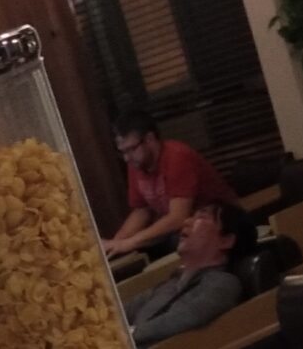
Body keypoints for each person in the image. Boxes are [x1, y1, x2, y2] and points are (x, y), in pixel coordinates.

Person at [101, 109, 236, 257]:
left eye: (131, 149)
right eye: (123, 152)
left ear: (149, 139)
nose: (127, 158)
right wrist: (115, 243)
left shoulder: (177, 157)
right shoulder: (136, 164)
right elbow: (142, 211)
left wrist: (130, 242)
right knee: (137, 249)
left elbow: (178, 218)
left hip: (219, 224)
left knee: (172, 242)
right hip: (189, 226)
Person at [126, 202, 256, 348]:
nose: (186, 222)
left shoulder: (223, 283)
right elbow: (120, 314)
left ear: (226, 240)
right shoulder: (170, 283)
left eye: (202, 217)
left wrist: (125, 337)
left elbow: (184, 319)